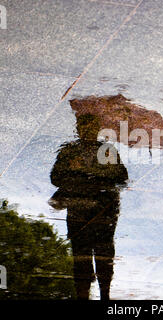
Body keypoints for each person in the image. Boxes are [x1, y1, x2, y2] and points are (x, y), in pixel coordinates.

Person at [49, 112, 128, 300]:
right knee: (81, 253)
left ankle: (105, 294)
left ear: (97, 130)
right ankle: (82, 294)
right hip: (79, 209)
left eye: (91, 127)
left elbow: (122, 178)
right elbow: (55, 178)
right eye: (83, 127)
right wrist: (75, 172)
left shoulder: (107, 150)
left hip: (103, 209)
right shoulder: (69, 151)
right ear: (78, 129)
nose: (87, 131)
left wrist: (100, 178)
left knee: (104, 252)